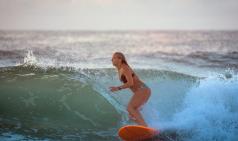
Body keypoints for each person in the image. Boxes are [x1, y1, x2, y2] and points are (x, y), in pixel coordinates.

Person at [109, 52, 151, 127]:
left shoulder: (124, 68)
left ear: (120, 59)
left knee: (130, 108)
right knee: (131, 114)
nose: (112, 59)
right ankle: (143, 128)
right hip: (143, 90)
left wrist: (118, 88)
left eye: (114, 58)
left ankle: (144, 127)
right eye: (112, 58)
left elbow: (130, 83)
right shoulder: (120, 69)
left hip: (142, 89)